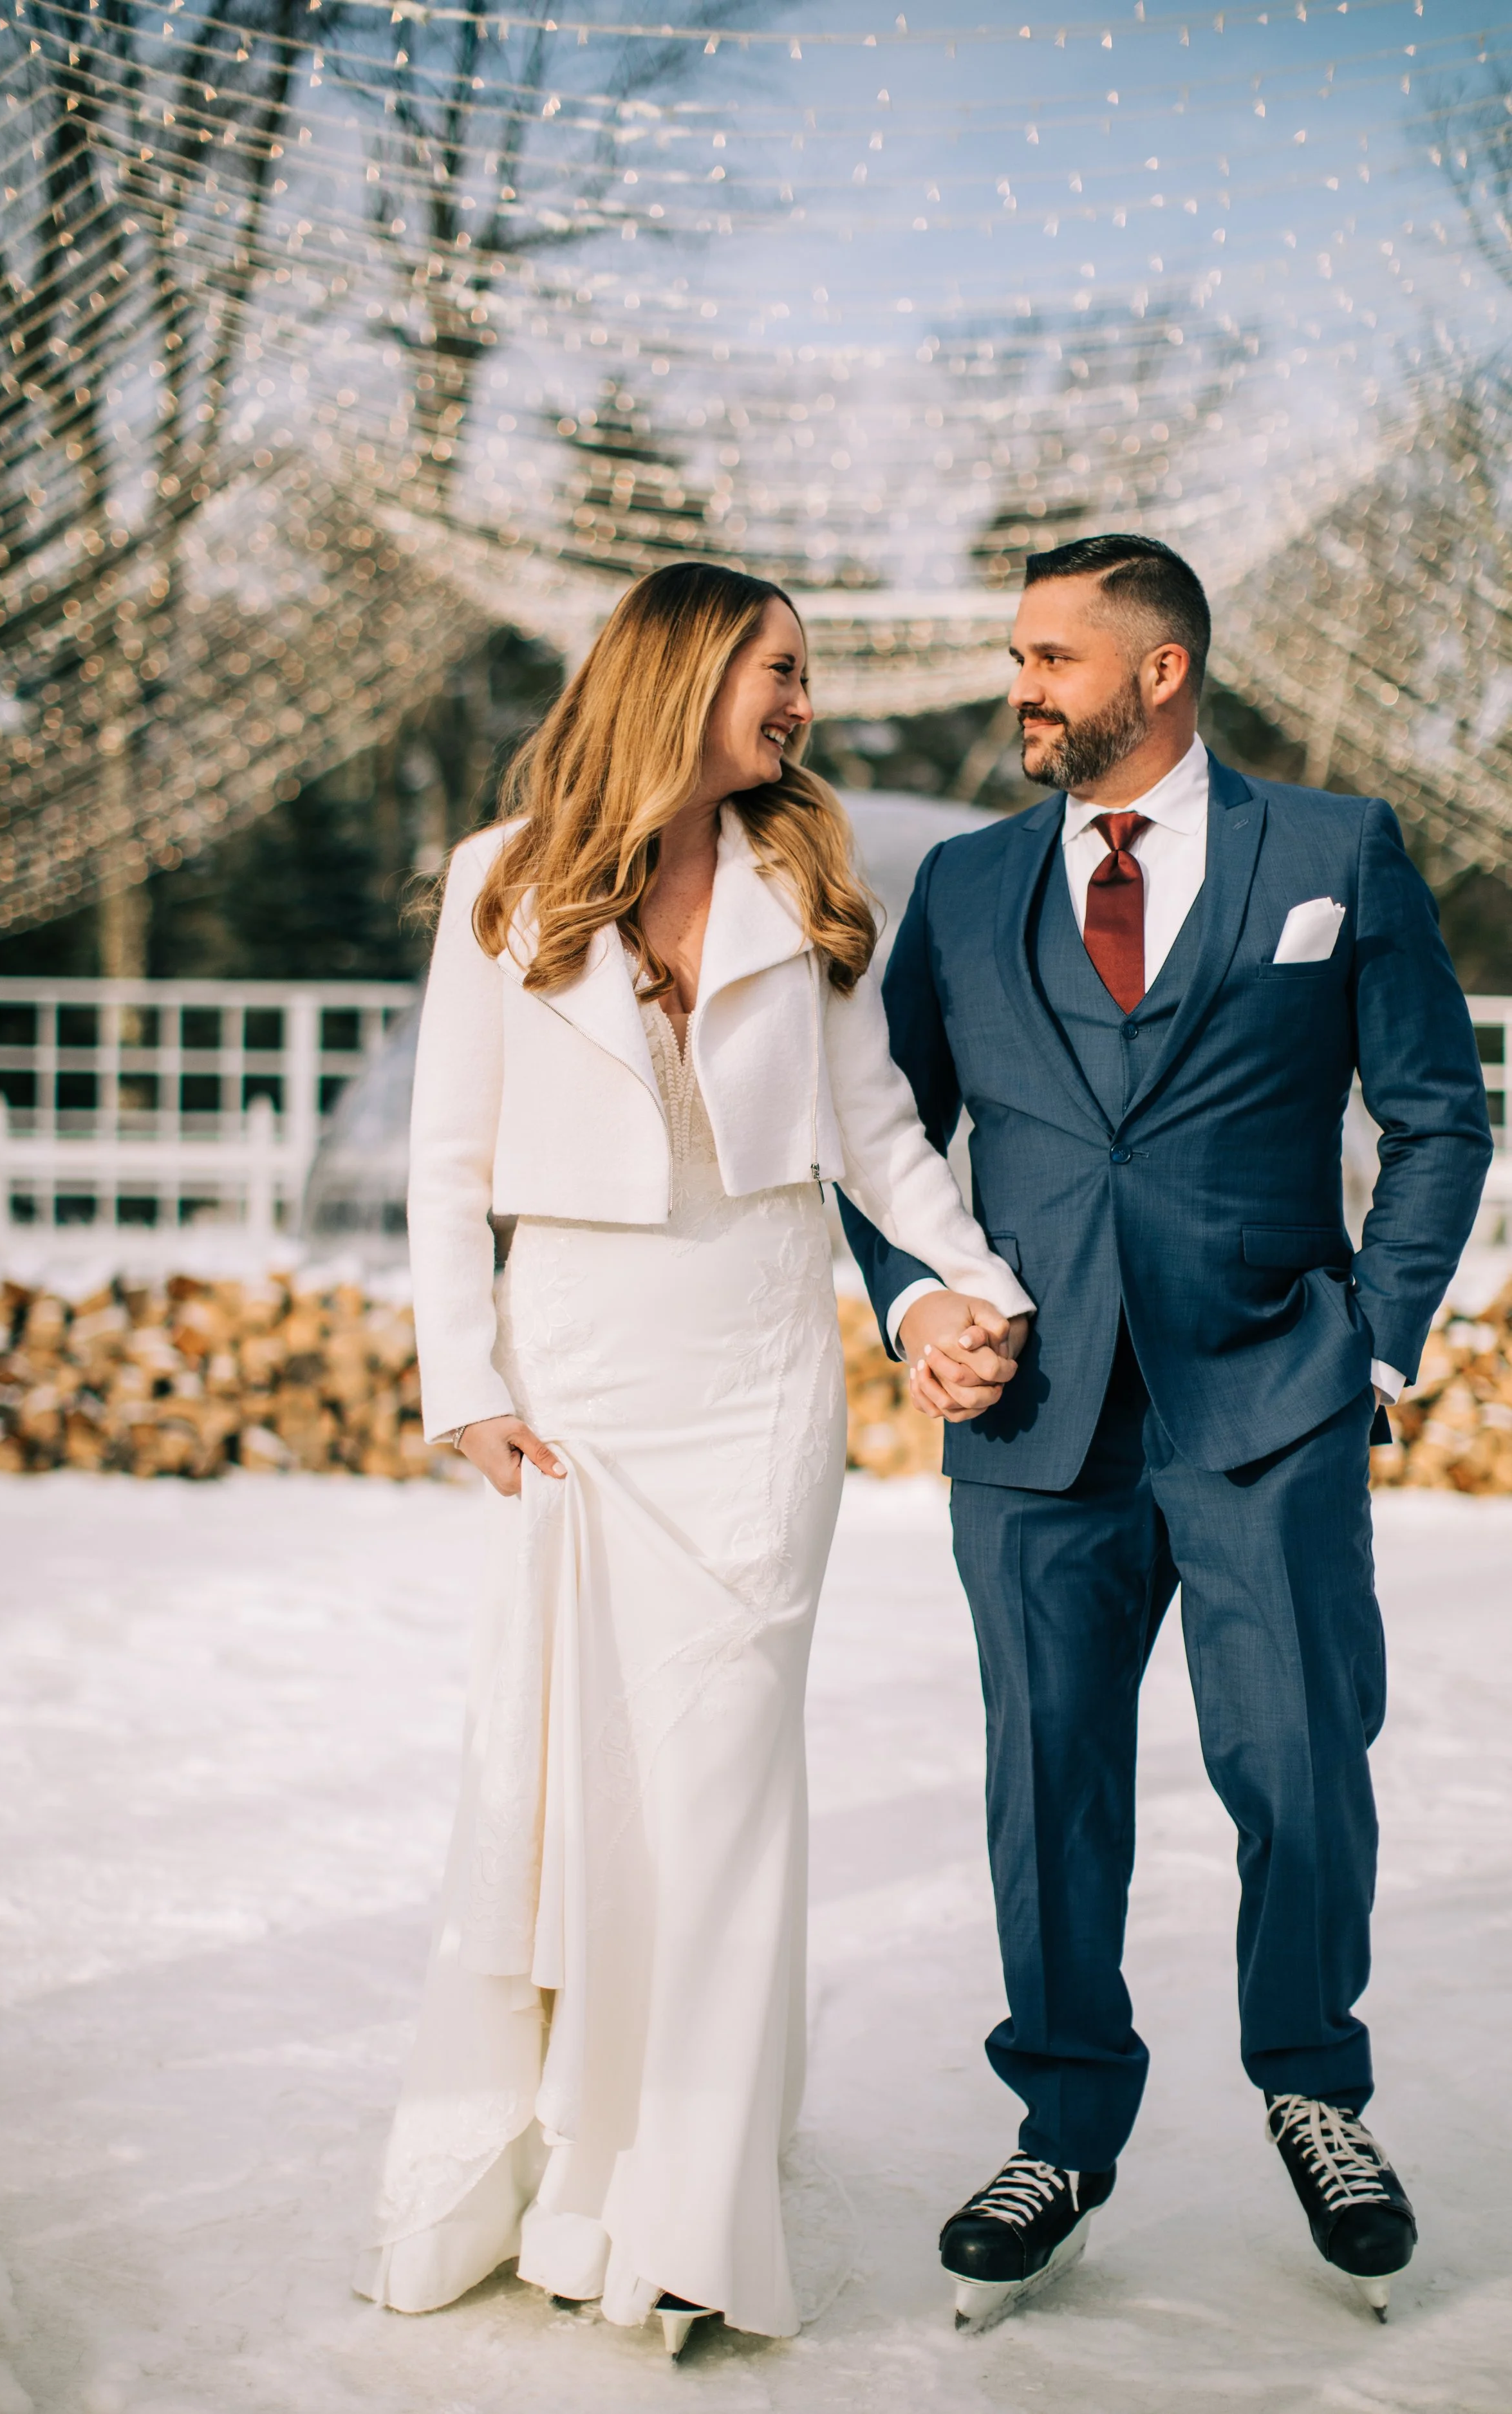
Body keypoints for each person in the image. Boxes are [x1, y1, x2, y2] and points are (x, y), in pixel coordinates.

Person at [354, 562, 1032, 2357]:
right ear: (676, 672)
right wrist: (464, 1375)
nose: (800, 700)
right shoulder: (498, 877)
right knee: (580, 1789)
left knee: (725, 1788)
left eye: (802, 672)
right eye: (775, 667)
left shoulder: (804, 881)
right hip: (575, 1380)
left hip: (750, 1378)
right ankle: (565, 2172)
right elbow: (442, 1159)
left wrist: (967, 1279)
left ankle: (686, 2213)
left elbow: (875, 1136)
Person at [839, 532, 1493, 2332]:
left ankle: (1312, 2087)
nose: (1019, 684)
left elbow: (1438, 1115)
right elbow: (877, 1130)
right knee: (1044, 1783)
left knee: (1296, 1764)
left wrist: (1369, 1343)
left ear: (1158, 673)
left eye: (1050, 654)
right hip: (1034, 1417)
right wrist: (915, 1301)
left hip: (1268, 1400)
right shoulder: (968, 888)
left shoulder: (1330, 851)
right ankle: (1060, 2117)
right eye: (1016, 653)